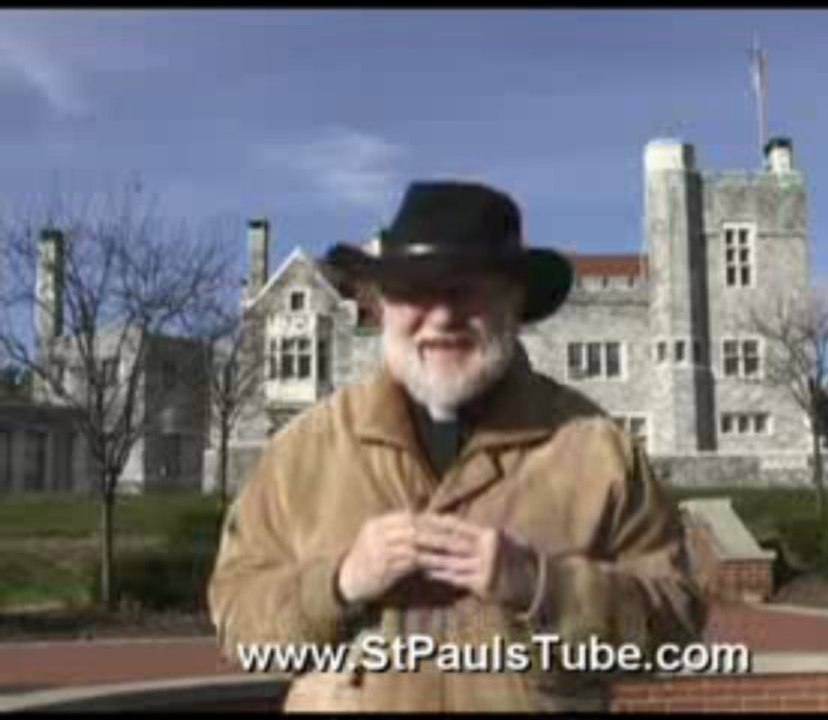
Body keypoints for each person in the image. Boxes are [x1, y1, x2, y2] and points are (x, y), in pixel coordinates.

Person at [207, 180, 706, 712]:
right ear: (379, 306)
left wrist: (542, 586)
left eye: (467, 290)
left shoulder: (596, 450)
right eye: (416, 291)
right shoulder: (303, 452)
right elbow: (236, 614)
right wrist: (340, 581)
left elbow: (676, 622)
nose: (441, 316)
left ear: (514, 304)